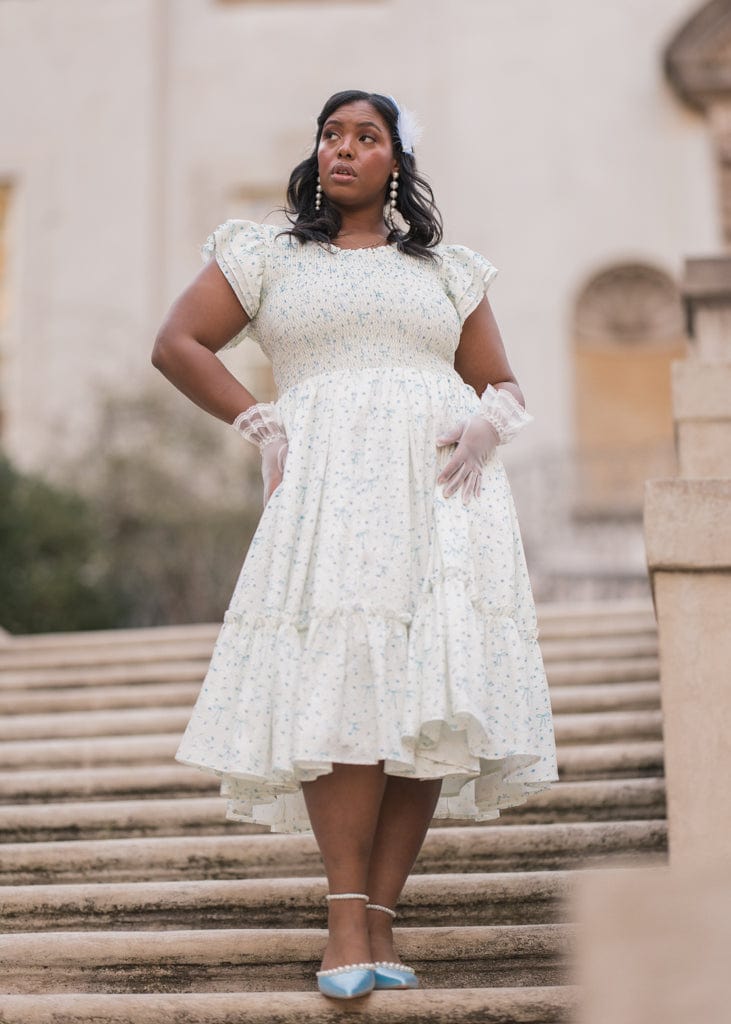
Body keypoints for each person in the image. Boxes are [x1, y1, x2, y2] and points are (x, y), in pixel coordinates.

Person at [152, 89, 559, 1001]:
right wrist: (259, 423)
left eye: (365, 137)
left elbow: (500, 382)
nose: (342, 148)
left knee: (424, 694)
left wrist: (487, 424)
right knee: (341, 682)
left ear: (395, 163)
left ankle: (380, 916)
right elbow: (178, 344)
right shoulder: (265, 254)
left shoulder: (447, 269)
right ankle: (343, 920)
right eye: (330, 134)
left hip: (439, 493)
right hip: (328, 490)